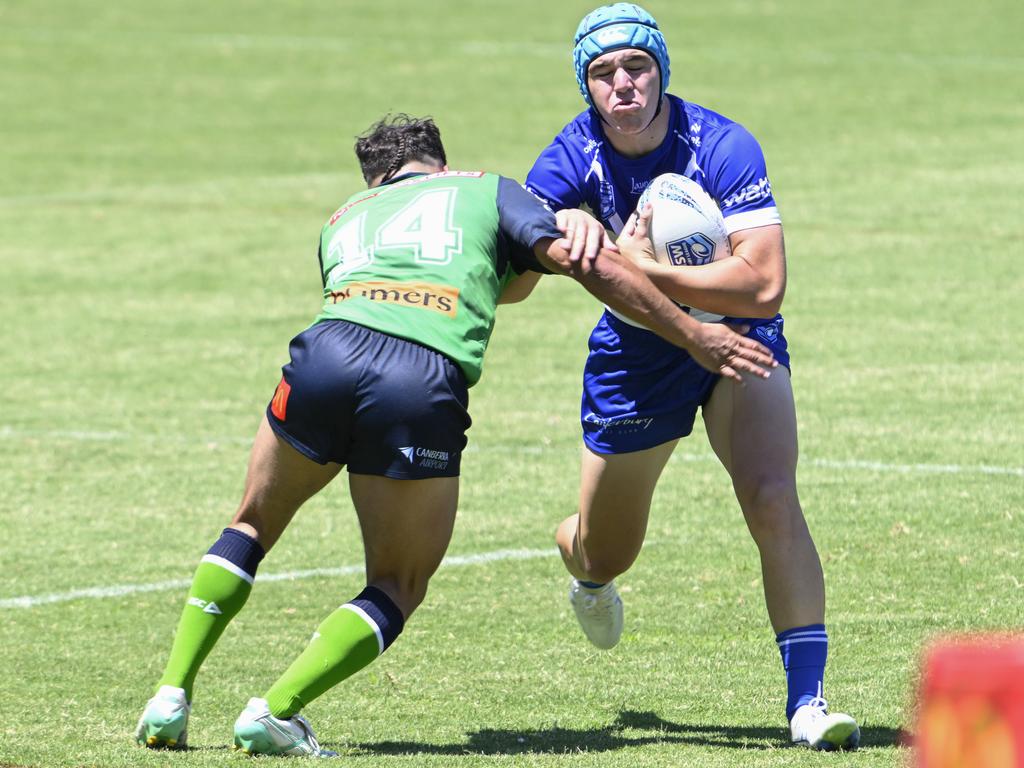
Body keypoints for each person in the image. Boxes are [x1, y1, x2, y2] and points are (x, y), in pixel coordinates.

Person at [133, 114, 776, 756]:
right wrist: (694, 334)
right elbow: (583, 267)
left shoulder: (343, 216)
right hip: (415, 379)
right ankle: (275, 710)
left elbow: (460, 285)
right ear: (439, 166)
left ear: (378, 178)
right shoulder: (484, 189)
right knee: (397, 582)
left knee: (249, 524)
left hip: (322, 357)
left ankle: (169, 694)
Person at [524, 3, 860, 751]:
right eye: (604, 73)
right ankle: (577, 555)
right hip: (637, 359)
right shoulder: (568, 159)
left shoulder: (722, 143)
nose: (623, 85)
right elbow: (512, 280)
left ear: (661, 71)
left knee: (773, 497)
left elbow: (764, 285)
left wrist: (639, 264)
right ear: (586, 85)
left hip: (739, 339)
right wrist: (550, 241)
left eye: (637, 67)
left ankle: (807, 701)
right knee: (608, 551)